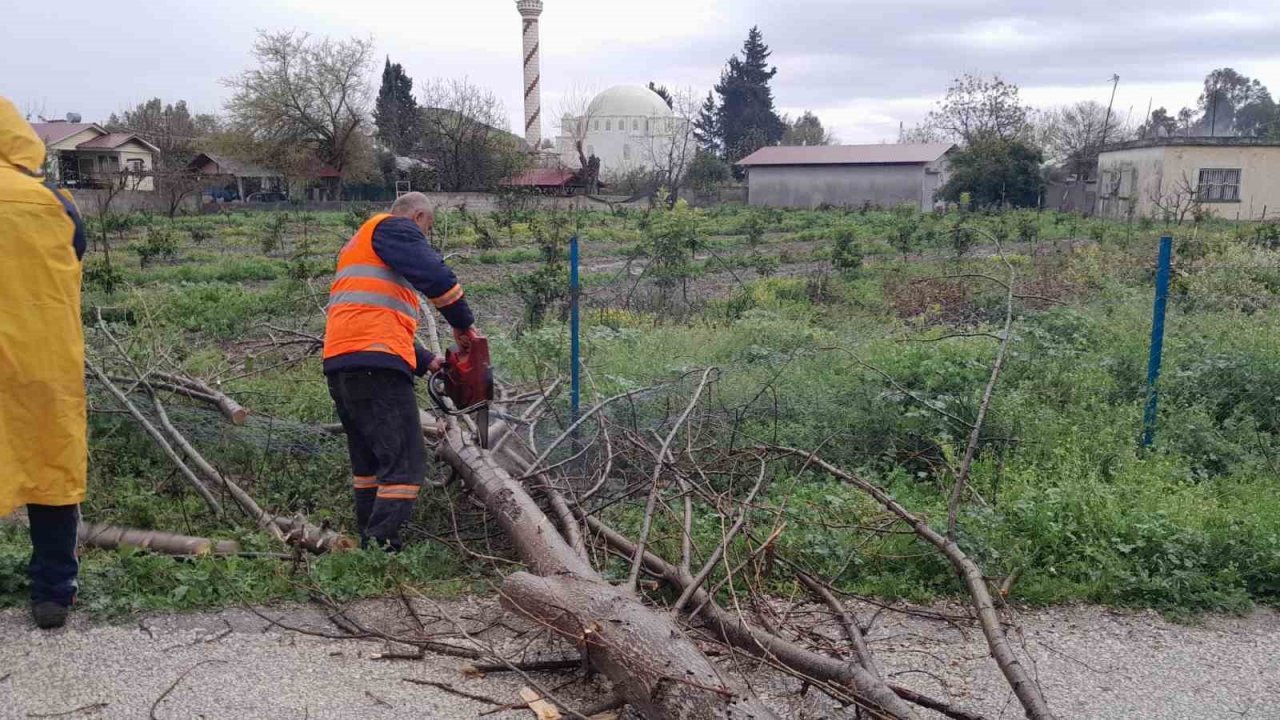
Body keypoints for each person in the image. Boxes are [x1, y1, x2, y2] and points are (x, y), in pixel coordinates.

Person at [323, 192, 478, 550]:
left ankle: (367, 539)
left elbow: (371, 320)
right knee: (406, 463)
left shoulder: (358, 246)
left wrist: (426, 361)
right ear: (419, 216)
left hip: (344, 363)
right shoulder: (393, 228)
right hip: (375, 366)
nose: (424, 235)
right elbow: (435, 275)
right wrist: (463, 324)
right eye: (427, 228)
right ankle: (380, 546)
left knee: (370, 463)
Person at [0, 96, 89, 629]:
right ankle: (52, 593)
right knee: (51, 466)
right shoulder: (54, 202)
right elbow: (76, 254)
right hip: (43, 358)